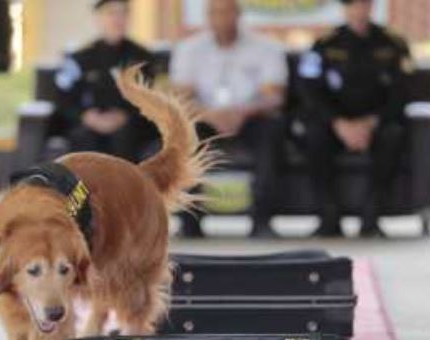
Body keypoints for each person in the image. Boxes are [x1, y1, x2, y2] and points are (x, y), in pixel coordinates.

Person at [170, 0, 288, 239]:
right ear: (207, 16)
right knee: (183, 133)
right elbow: (180, 99)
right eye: (215, 12)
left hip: (252, 116)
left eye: (227, 11)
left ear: (238, 14)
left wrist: (242, 112)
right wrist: (211, 115)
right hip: (203, 117)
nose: (221, 18)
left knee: (273, 131)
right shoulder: (189, 49)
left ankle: (261, 220)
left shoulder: (266, 47)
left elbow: (275, 98)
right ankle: (190, 223)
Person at [298, 0, 412, 237]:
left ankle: (372, 216)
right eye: (353, 5)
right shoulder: (325, 44)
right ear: (345, 8)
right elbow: (309, 90)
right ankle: (328, 216)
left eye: (363, 4)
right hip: (336, 122)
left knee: (394, 135)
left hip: (376, 122)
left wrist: (371, 123)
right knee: (314, 134)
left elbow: (402, 92)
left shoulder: (392, 43)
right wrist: (339, 123)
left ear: (371, 7)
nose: (359, 10)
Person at [54, 0, 156, 162]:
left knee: (127, 136)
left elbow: (151, 96)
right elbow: (63, 97)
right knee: (82, 139)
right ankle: (83, 188)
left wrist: (124, 116)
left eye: (123, 13)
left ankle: (125, 187)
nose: (117, 19)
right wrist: (86, 116)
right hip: (89, 122)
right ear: (98, 18)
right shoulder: (79, 58)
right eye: (111, 13)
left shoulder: (143, 57)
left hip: (129, 124)